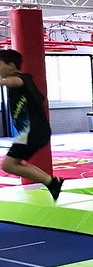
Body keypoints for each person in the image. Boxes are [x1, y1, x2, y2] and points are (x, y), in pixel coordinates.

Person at [0, 49, 63, 200]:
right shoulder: (26, 82)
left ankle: (51, 182)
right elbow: (41, 100)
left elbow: (14, 82)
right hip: (34, 131)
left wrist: (3, 81)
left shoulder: (20, 79)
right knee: (14, 163)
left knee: (8, 165)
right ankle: (52, 182)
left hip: (32, 131)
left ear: (11, 66)